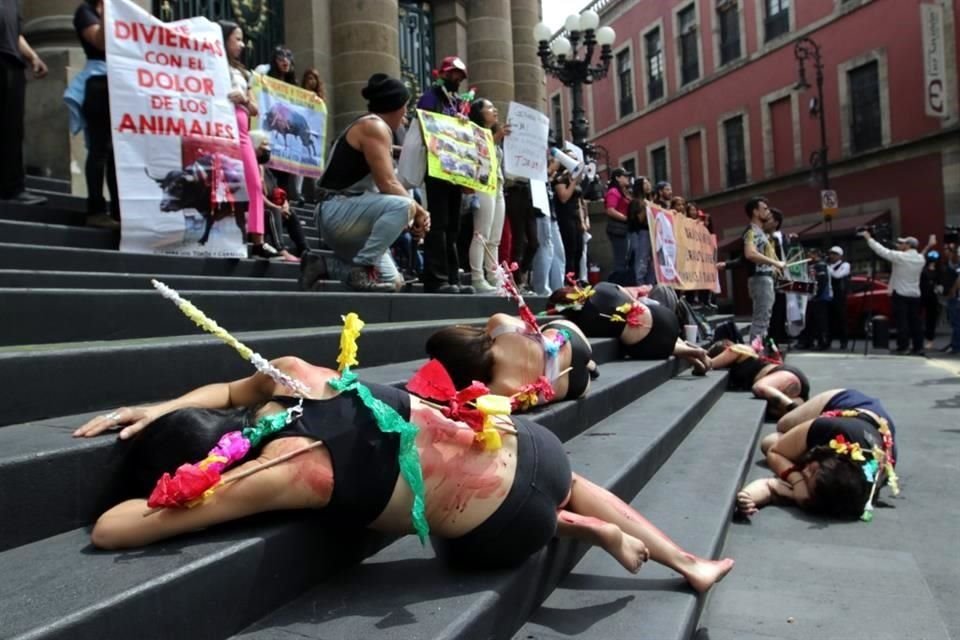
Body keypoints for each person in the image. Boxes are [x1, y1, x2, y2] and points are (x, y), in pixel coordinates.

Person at [73, 356, 733, 589]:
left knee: (476, 509)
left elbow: (109, 531)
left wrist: (193, 483)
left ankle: (580, 529)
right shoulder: (302, 374)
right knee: (540, 477)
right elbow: (228, 390)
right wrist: (161, 405)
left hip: (508, 527)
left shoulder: (277, 472)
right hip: (532, 445)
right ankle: (686, 561)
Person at [314, 74, 430, 291]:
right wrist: (421, 212)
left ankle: (324, 266)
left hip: (353, 215)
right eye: (404, 106)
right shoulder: (374, 126)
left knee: (392, 282)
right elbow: (388, 183)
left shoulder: (374, 128)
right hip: (336, 211)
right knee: (405, 205)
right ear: (394, 106)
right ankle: (363, 266)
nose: (406, 113)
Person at [738, 388, 897, 519]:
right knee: (776, 434)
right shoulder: (828, 427)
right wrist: (798, 480)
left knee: (774, 441)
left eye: (809, 479)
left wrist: (798, 494)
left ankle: (800, 441)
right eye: (812, 471)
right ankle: (795, 404)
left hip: (863, 433)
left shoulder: (858, 490)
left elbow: (770, 487)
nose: (805, 471)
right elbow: (775, 451)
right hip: (846, 404)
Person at [426, 313, 596, 408]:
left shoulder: (492, 392)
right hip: (574, 341)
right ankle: (589, 363)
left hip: (576, 385)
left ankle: (586, 366)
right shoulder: (499, 322)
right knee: (541, 332)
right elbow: (532, 329)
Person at [548, 282, 712, 372]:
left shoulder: (584, 320)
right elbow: (626, 292)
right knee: (660, 331)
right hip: (664, 316)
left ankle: (692, 353)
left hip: (650, 341)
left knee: (637, 343)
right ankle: (693, 352)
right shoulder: (602, 287)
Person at [219, 21, 276, 259]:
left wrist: (242, 98)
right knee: (219, 184)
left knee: (253, 183)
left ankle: (258, 240)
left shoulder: (244, 72)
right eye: (237, 39)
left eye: (242, 39)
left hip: (241, 135)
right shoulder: (210, 64)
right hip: (218, 131)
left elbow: (254, 109)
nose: (242, 45)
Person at [417, 56, 472, 294]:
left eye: (460, 76)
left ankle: (452, 277)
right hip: (437, 169)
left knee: (453, 228)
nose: (457, 79)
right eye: (454, 74)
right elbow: (425, 125)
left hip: (454, 172)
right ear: (443, 74)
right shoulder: (430, 97)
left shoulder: (457, 102)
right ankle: (436, 279)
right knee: (438, 225)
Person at [64, 0, 119, 230]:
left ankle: (118, 212)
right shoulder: (85, 12)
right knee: (100, 149)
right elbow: (100, 42)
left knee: (117, 154)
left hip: (120, 84)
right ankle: (96, 210)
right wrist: (107, 10)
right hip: (98, 85)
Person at [0, 1, 47, 206]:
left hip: (12, 63)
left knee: (12, 130)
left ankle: (13, 189)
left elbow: (17, 35)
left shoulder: (13, 3)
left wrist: (33, 56)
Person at [467, 98, 510, 292]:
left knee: (495, 238)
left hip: (498, 185)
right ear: (479, 113)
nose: (495, 110)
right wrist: (497, 136)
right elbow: (481, 154)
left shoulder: (493, 135)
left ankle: (493, 275)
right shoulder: (473, 132)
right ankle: (477, 278)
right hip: (482, 184)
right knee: (481, 234)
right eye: (490, 107)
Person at [705, 340, 809, 418]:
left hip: (782, 374)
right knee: (771, 410)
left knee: (759, 387)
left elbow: (710, 363)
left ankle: (793, 408)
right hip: (787, 383)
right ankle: (799, 405)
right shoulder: (739, 363)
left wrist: (693, 353)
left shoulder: (738, 348)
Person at [860, 231, 925, 355]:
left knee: (902, 322)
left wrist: (869, 239)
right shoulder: (921, 259)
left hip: (900, 293)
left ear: (908, 246)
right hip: (915, 294)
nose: (899, 244)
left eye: (902, 243)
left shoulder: (901, 257)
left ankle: (903, 347)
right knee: (915, 322)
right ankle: (918, 347)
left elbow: (882, 251)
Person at [254, 134, 308, 262]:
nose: (268, 150)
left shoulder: (266, 171)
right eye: (264, 146)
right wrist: (276, 207)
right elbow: (255, 195)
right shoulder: (249, 168)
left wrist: (285, 205)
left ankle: (305, 250)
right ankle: (281, 249)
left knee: (290, 213)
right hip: (253, 215)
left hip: (269, 214)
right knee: (273, 212)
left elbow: (276, 192)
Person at [742, 197, 785, 341]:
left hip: (765, 279)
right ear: (755, 212)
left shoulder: (760, 232)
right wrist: (775, 262)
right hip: (760, 280)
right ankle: (755, 356)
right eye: (765, 209)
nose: (768, 212)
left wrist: (773, 267)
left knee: (765, 320)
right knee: (761, 320)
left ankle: (758, 352)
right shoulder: (751, 231)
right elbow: (750, 253)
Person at [531, 159, 566, 295]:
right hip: (540, 210)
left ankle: (558, 289)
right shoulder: (533, 162)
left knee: (558, 252)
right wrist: (550, 169)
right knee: (545, 249)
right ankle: (543, 290)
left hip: (550, 212)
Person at [293, 68, 326, 205]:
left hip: (313, 134)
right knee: (298, 165)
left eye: (313, 79)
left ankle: (316, 195)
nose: (311, 81)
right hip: (300, 131)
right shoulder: (298, 96)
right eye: (308, 78)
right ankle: (297, 193)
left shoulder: (320, 100)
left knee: (314, 164)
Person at [795, 248, 832, 350]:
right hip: (810, 297)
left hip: (820, 298)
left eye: (810, 254)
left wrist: (817, 295)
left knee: (821, 322)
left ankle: (823, 342)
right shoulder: (810, 265)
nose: (808, 256)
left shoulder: (821, 265)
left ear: (815, 254)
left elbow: (822, 282)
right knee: (809, 321)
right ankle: (808, 341)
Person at [553, 164, 585, 281]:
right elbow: (564, 197)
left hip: (576, 218)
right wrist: (573, 182)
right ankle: (569, 281)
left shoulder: (574, 179)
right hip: (565, 218)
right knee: (570, 250)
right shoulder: (560, 179)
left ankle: (576, 279)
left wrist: (582, 221)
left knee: (579, 250)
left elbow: (580, 202)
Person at [625, 177, 654, 286]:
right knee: (641, 262)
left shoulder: (650, 201)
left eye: (648, 182)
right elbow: (639, 220)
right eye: (645, 183)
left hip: (650, 234)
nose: (648, 185)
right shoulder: (636, 202)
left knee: (650, 263)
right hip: (641, 234)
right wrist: (646, 208)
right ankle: (640, 285)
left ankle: (650, 286)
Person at [603, 169, 632, 277]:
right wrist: (625, 218)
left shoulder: (624, 192)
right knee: (621, 259)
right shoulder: (613, 192)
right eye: (624, 176)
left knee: (625, 259)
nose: (627, 178)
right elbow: (610, 210)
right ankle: (618, 282)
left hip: (624, 229)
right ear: (617, 177)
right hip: (618, 229)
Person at [826, 246, 850, 349]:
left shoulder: (845, 265)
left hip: (839, 295)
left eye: (834, 254)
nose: (832, 256)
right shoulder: (828, 265)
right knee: (829, 320)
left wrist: (828, 269)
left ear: (840, 255)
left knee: (841, 319)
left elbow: (838, 275)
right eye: (831, 254)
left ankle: (843, 341)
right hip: (829, 295)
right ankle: (828, 341)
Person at [920, 250, 943, 351]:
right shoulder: (923, 270)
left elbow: (941, 284)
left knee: (931, 319)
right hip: (922, 295)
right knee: (918, 318)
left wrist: (939, 289)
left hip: (933, 297)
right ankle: (918, 339)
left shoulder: (939, 271)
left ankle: (930, 340)